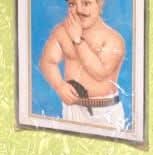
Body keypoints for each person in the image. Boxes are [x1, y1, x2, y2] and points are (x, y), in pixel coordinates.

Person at [40, 0, 127, 131]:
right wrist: (59, 86)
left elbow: (100, 73)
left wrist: (77, 40)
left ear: (99, 4)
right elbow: (47, 61)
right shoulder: (61, 32)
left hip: (105, 111)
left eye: (86, 3)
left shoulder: (113, 39)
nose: (79, 10)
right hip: (72, 108)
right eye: (72, 4)